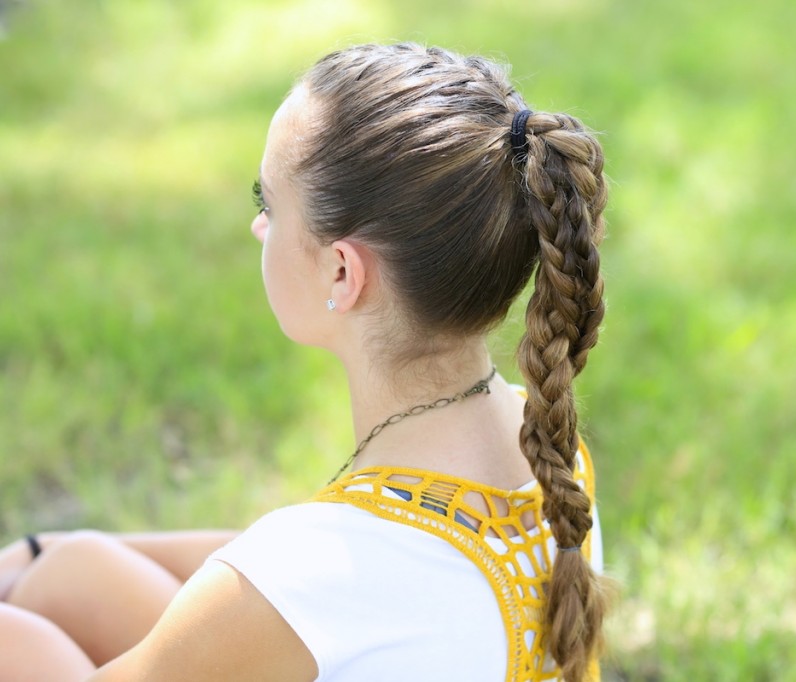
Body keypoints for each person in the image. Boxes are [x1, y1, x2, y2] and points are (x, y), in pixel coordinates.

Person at [0, 42, 610, 681]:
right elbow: (281, 579)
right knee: (74, 574)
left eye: (268, 204)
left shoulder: (314, 573)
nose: (258, 229)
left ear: (343, 272)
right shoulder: (545, 448)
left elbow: (287, 585)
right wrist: (47, 549)